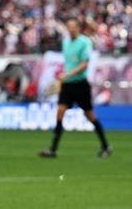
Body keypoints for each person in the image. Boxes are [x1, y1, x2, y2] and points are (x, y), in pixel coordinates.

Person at [39, 18, 111, 159]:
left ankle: (105, 146)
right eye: (69, 27)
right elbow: (69, 63)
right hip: (67, 84)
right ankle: (53, 149)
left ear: (78, 28)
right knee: (60, 111)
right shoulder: (65, 43)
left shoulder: (85, 42)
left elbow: (84, 64)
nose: (71, 30)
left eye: (73, 27)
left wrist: (67, 74)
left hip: (80, 84)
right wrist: (62, 77)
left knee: (90, 115)